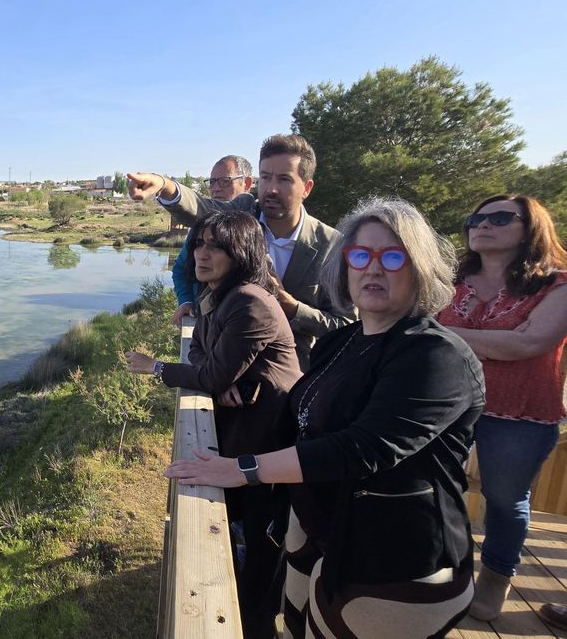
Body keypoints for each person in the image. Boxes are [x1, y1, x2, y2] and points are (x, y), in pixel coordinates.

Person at [165, 197, 485, 638]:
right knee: (293, 626)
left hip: (391, 560)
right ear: (344, 266)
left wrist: (242, 470)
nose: (374, 268)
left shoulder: (437, 356)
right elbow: (299, 417)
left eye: (394, 256)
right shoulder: (344, 340)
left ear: (421, 267)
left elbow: (361, 449)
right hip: (316, 533)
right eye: (361, 255)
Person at [125, 210, 301, 639]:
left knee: (264, 540)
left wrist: (157, 368)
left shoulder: (250, 301)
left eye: (215, 246)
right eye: (200, 244)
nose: (201, 254)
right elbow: (203, 356)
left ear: (240, 253)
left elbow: (207, 370)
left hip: (271, 441)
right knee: (241, 524)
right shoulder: (217, 295)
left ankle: (258, 624)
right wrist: (219, 377)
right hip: (245, 432)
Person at [434, 194, 567, 621]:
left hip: (521, 412)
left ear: (531, 228)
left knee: (505, 500)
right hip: (448, 405)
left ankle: (494, 582)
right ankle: (441, 569)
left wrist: (445, 334)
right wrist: (503, 343)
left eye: (499, 217)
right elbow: (414, 328)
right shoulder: (447, 279)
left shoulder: (557, 285)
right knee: (436, 487)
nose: (483, 224)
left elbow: (531, 343)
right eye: (477, 217)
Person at [128, 134, 353, 369]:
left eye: (284, 179)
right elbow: (204, 209)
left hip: (292, 382)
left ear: (306, 188)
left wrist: (294, 309)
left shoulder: (331, 245)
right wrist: (164, 185)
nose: (272, 189)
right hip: (223, 375)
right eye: (265, 177)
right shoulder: (243, 214)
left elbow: (347, 325)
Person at [170, 155, 255, 327]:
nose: (216, 188)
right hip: (204, 323)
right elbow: (180, 269)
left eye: (224, 181)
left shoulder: (256, 227)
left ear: (246, 183)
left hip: (241, 323)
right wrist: (186, 302)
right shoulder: (200, 228)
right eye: (212, 182)